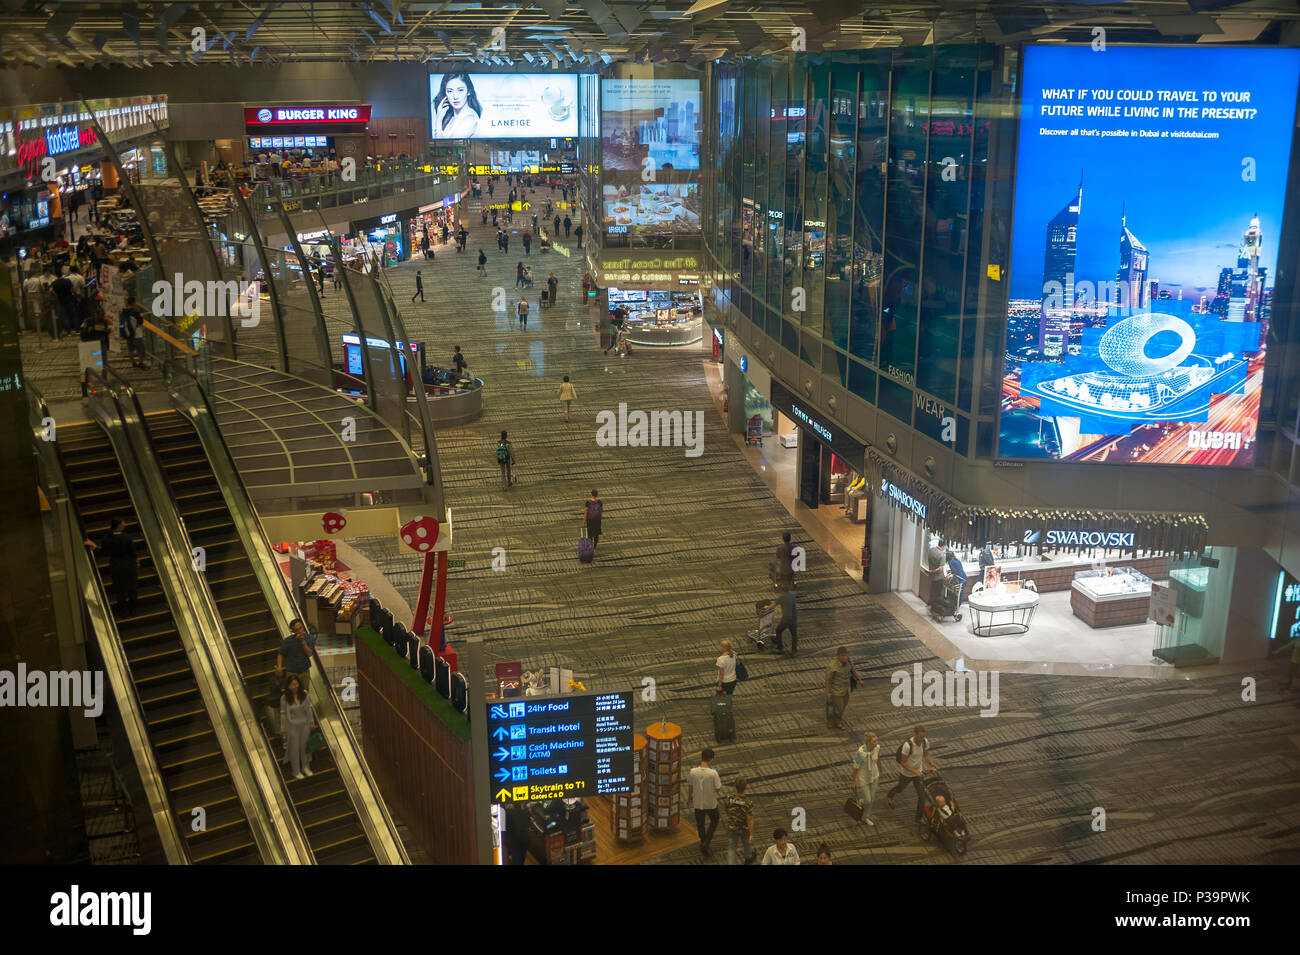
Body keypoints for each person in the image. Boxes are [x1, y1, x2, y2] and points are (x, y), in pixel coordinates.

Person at [84, 518, 138, 617]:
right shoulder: (127, 537)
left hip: (116, 566)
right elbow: (133, 552)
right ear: (118, 526)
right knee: (131, 588)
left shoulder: (107, 539)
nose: (124, 524)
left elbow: (102, 552)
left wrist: (94, 546)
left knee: (119, 590)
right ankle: (133, 611)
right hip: (129, 566)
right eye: (123, 523)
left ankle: (122, 612)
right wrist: (136, 563)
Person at [887, 725, 937, 825]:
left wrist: (931, 764)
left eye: (923, 737)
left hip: (918, 773)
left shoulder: (924, 742)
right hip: (906, 774)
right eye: (919, 737)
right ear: (915, 734)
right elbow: (903, 762)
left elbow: (926, 755)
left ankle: (918, 819)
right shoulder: (907, 745)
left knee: (922, 796)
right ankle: (890, 795)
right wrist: (915, 772)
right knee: (900, 788)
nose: (921, 739)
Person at [687, 748, 722, 857]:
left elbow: (690, 786)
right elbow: (718, 788)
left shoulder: (693, 771)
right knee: (715, 820)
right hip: (710, 803)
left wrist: (689, 799)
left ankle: (703, 841)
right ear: (711, 759)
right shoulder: (713, 773)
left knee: (700, 824)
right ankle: (706, 842)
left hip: (698, 803)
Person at [279, 676, 315, 779]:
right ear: (288, 686)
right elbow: (283, 714)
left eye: (295, 684)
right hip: (292, 726)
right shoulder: (284, 698)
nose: (294, 687)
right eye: (292, 684)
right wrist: (282, 728)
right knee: (294, 748)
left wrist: (311, 722)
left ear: (299, 684)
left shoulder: (304, 694)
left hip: (304, 724)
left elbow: (309, 710)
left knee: (305, 747)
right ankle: (296, 770)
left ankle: (306, 767)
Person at [432, 73, 482, 138]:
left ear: (468, 91)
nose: (455, 97)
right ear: (445, 94)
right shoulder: (452, 117)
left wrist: (438, 120)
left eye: (460, 90)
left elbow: (445, 144)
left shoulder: (469, 119)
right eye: (450, 91)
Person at [276, 618, 318, 693]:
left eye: (300, 628)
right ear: (293, 631)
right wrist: (279, 666)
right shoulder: (288, 641)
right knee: (291, 692)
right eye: (296, 630)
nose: (299, 631)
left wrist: (303, 642)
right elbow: (280, 653)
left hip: (304, 672)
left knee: (304, 692)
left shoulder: (310, 638)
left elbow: (309, 654)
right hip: (291, 672)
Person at [852, 731, 883, 827]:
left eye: (876, 741)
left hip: (874, 775)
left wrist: (881, 771)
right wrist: (854, 781)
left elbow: (878, 759)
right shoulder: (860, 753)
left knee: (872, 799)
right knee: (868, 800)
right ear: (869, 742)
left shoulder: (877, 748)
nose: (876, 743)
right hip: (863, 778)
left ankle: (865, 817)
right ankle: (860, 802)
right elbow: (855, 767)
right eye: (874, 741)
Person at [722, 777, 755, 865]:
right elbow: (750, 819)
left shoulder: (729, 798)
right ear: (745, 787)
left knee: (731, 848)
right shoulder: (748, 802)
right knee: (747, 845)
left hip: (732, 827)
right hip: (744, 829)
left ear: (735, 786)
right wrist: (751, 834)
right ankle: (748, 858)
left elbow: (726, 809)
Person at [825, 646, 857, 730]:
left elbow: (852, 670)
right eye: (842, 656)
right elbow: (828, 680)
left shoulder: (849, 662)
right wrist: (828, 692)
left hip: (845, 689)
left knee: (842, 706)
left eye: (846, 655)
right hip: (836, 690)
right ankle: (834, 722)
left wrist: (859, 680)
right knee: (839, 707)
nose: (844, 657)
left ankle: (836, 721)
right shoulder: (832, 666)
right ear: (838, 656)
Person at [119, 296, 148, 369]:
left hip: (128, 334)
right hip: (137, 334)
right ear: (133, 302)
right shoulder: (136, 311)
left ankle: (133, 363)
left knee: (130, 349)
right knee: (141, 350)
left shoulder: (124, 311)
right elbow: (140, 322)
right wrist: (142, 316)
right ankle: (140, 363)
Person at [765, 588, 796, 655]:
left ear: (782, 590)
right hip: (793, 617)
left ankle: (780, 647)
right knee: (794, 634)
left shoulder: (782, 597)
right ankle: (794, 650)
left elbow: (773, 605)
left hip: (786, 618)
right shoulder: (792, 594)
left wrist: (767, 607)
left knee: (778, 630)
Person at [946, 549, 968, 621]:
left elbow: (955, 572)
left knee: (959, 593)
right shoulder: (957, 560)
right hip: (963, 577)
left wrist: (951, 572)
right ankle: (957, 607)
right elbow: (959, 569)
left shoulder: (950, 562)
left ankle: (956, 608)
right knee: (960, 593)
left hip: (959, 579)